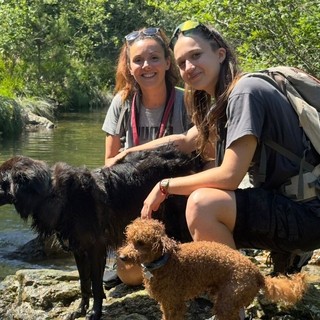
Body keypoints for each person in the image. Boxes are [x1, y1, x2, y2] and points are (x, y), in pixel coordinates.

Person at [108, 20, 320, 318]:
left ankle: (234, 300)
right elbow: (183, 141)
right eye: (181, 62)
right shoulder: (222, 100)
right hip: (293, 204)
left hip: (307, 213)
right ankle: (258, 272)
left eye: (196, 56)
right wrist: (128, 152)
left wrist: (164, 185)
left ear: (220, 54)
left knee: (202, 203)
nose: (188, 67)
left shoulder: (246, 92)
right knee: (198, 199)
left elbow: (230, 177)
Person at [101, 26, 191, 287]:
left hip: (175, 197)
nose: (146, 65)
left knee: (174, 271)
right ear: (129, 67)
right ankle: (120, 251)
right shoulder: (122, 102)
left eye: (154, 58)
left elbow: (203, 159)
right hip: (134, 200)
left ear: (167, 62)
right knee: (130, 276)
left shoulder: (186, 102)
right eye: (138, 60)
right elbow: (108, 164)